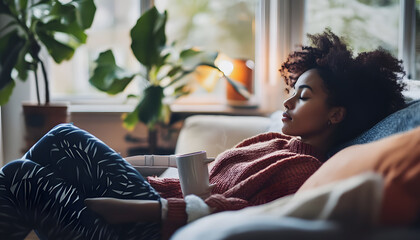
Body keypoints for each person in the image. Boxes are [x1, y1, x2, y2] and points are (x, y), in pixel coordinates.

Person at [0, 29, 406, 240]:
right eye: (290, 93)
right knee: (30, 166)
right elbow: (203, 179)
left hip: (152, 227)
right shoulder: (274, 143)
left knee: (51, 149)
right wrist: (145, 174)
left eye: (303, 96)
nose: (287, 104)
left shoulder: (300, 169)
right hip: (151, 204)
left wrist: (141, 208)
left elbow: (240, 214)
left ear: (336, 114)